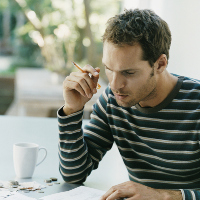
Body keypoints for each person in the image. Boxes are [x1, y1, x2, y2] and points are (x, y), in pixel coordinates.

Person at [57, 8, 200, 200]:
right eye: (109, 69)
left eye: (129, 73)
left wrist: (164, 197)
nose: (115, 85)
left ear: (160, 64)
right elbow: (74, 174)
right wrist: (72, 110)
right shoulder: (112, 101)